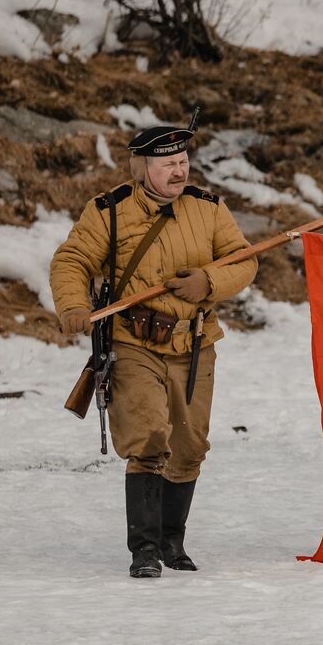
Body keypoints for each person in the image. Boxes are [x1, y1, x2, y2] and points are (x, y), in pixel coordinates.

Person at [50, 122, 257, 578]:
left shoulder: (209, 209)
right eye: (168, 165)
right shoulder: (110, 211)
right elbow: (72, 260)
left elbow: (244, 260)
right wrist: (72, 304)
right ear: (141, 167)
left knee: (188, 445)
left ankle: (171, 542)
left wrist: (210, 281)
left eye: (183, 162)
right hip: (133, 342)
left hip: (195, 341)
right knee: (148, 437)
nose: (179, 171)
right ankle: (143, 549)